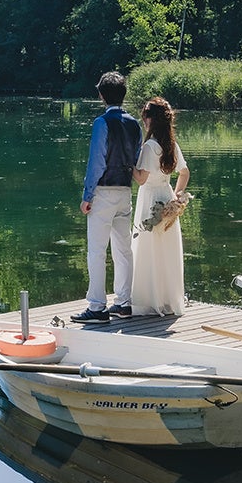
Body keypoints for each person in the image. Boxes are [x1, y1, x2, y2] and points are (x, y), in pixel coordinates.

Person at [75, 71, 141, 324]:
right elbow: (135, 159)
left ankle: (97, 306)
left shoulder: (101, 123)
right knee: (123, 250)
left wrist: (87, 195)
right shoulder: (134, 124)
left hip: (103, 191)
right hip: (124, 190)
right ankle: (123, 303)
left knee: (97, 251)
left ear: (101, 95)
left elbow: (97, 162)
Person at [129, 96, 189, 317]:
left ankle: (148, 300)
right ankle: (167, 299)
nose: (143, 120)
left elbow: (141, 179)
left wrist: (127, 163)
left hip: (150, 199)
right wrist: (177, 195)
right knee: (165, 249)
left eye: (145, 116)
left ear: (151, 120)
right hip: (167, 197)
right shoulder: (170, 145)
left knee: (148, 246)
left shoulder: (150, 146)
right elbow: (184, 173)